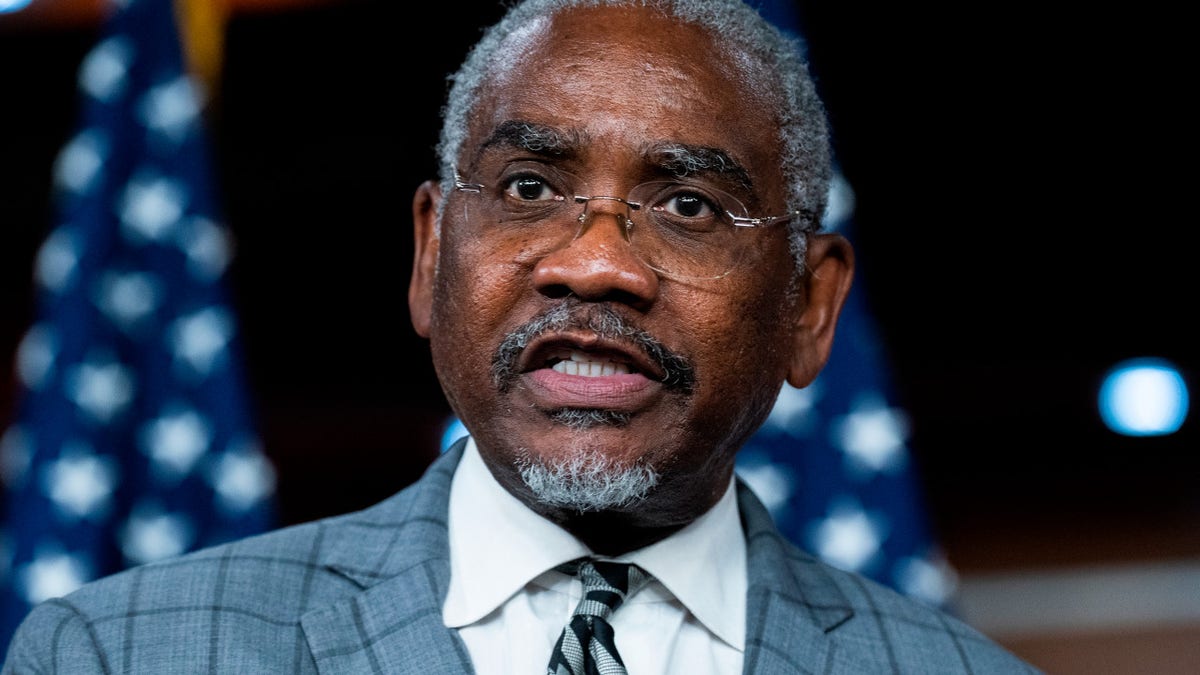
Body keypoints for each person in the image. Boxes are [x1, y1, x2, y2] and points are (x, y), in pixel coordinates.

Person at [3, 0, 1041, 672]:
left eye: (687, 205)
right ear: (429, 256)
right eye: (530, 187)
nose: (594, 262)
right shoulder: (120, 653)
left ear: (806, 308)